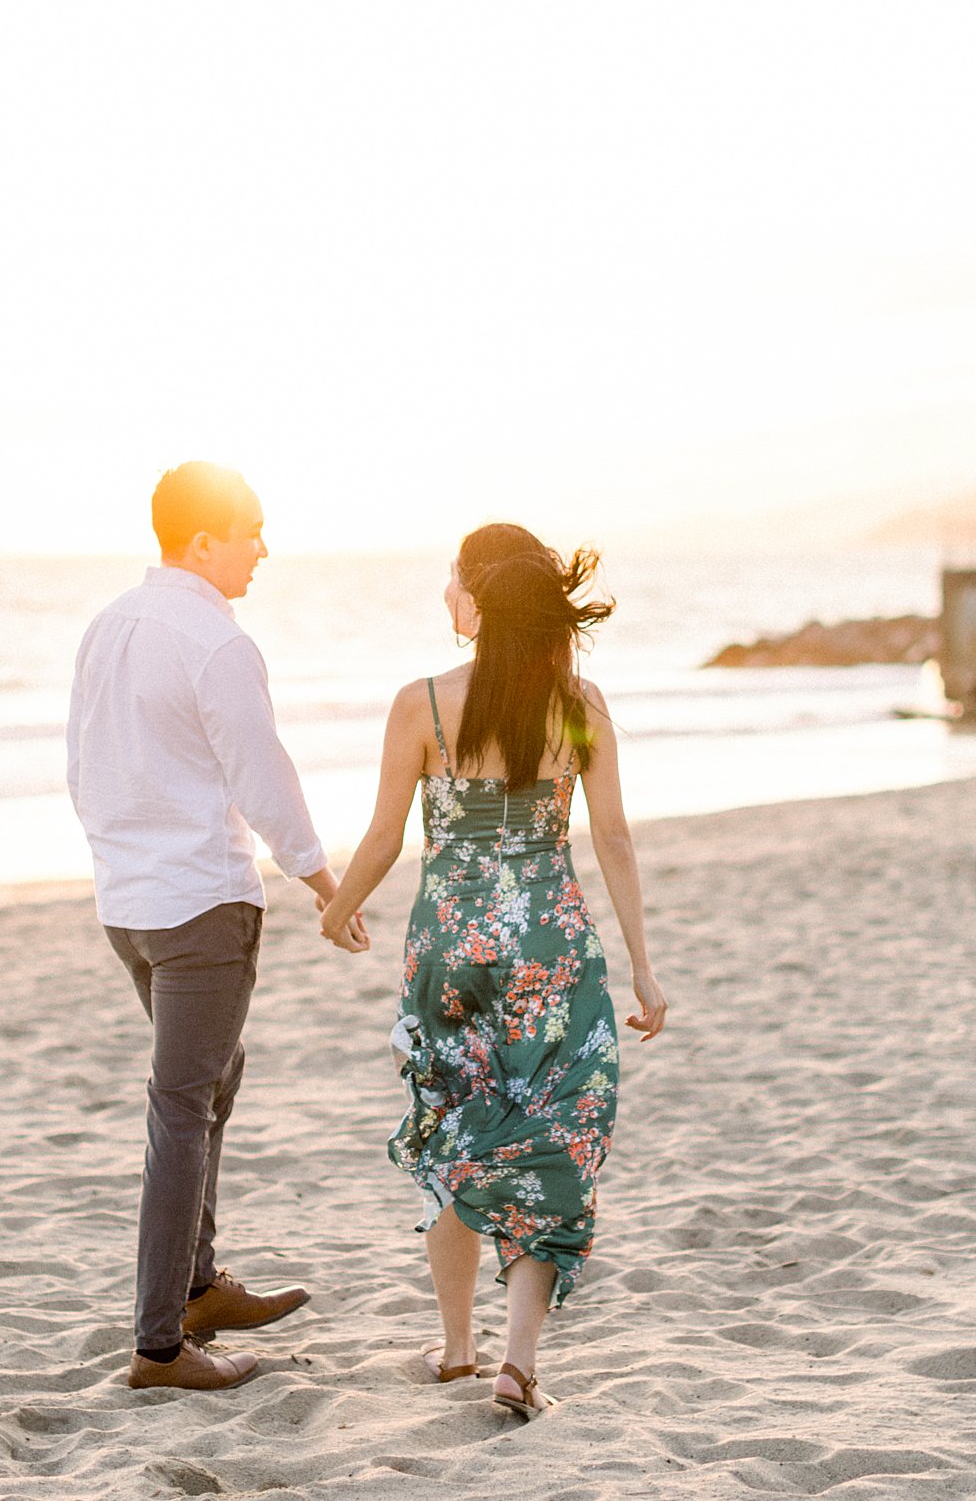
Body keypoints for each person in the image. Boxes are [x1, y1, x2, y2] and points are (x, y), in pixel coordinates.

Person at [316, 523, 667, 1421]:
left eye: (453, 583)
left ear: (480, 608)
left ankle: (457, 1346)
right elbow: (615, 841)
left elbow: (386, 837)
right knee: (549, 1139)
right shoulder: (578, 703)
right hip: (553, 951)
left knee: (457, 1136)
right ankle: (516, 1362)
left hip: (453, 954)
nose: (445, 596)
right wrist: (641, 967)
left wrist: (334, 904)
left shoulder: (421, 704)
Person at [67, 461, 368, 1394]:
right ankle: (160, 1346)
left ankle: (198, 1287)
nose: (263, 550)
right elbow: (261, 776)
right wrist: (327, 882)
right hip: (198, 903)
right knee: (182, 1108)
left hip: (130, 905)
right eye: (251, 532)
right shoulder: (214, 642)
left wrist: (120, 861)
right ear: (202, 541)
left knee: (210, 1083)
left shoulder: (107, 625)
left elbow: (84, 764)